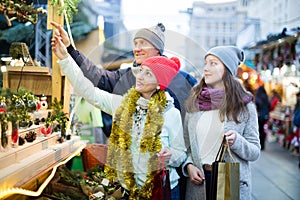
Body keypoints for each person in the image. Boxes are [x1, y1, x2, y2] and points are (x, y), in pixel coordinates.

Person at [51, 21, 197, 199]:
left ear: (159, 84)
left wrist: (171, 156)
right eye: (141, 71)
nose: (139, 77)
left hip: (163, 191)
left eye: (147, 74)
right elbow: (89, 91)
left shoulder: (170, 113)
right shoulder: (123, 104)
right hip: (130, 192)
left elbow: (181, 153)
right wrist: (65, 58)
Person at [182, 46, 261, 200]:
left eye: (213, 63)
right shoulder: (195, 101)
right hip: (198, 183)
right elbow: (186, 146)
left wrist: (237, 141)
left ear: (227, 69)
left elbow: (255, 151)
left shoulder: (244, 105)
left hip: (230, 182)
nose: (206, 68)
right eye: (206, 63)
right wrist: (189, 165)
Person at [255, 85, 270, 150]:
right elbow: (269, 106)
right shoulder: (266, 97)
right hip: (265, 116)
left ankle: (259, 145)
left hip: (259, 116)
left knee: (258, 130)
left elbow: (257, 105)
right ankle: (263, 145)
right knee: (263, 131)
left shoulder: (258, 97)